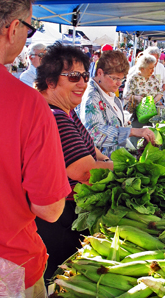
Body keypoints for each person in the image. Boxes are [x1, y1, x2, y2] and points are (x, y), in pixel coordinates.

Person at [0, 0, 70, 298]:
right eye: (29, 28)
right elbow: (50, 208)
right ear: (12, 28)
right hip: (7, 269)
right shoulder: (27, 104)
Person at [34, 43, 114, 283]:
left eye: (84, 76)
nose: (82, 83)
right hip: (58, 218)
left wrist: (103, 158)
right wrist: (127, 167)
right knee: (60, 281)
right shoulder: (56, 118)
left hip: (54, 215)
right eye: (73, 77)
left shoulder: (65, 111)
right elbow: (86, 172)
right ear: (50, 81)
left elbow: (90, 148)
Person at [79, 50, 155, 156]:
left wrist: (124, 123)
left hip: (113, 159)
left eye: (122, 79)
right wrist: (132, 131)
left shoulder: (108, 91)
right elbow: (93, 133)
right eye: (114, 78)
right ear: (100, 73)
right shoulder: (91, 97)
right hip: (99, 164)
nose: (119, 83)